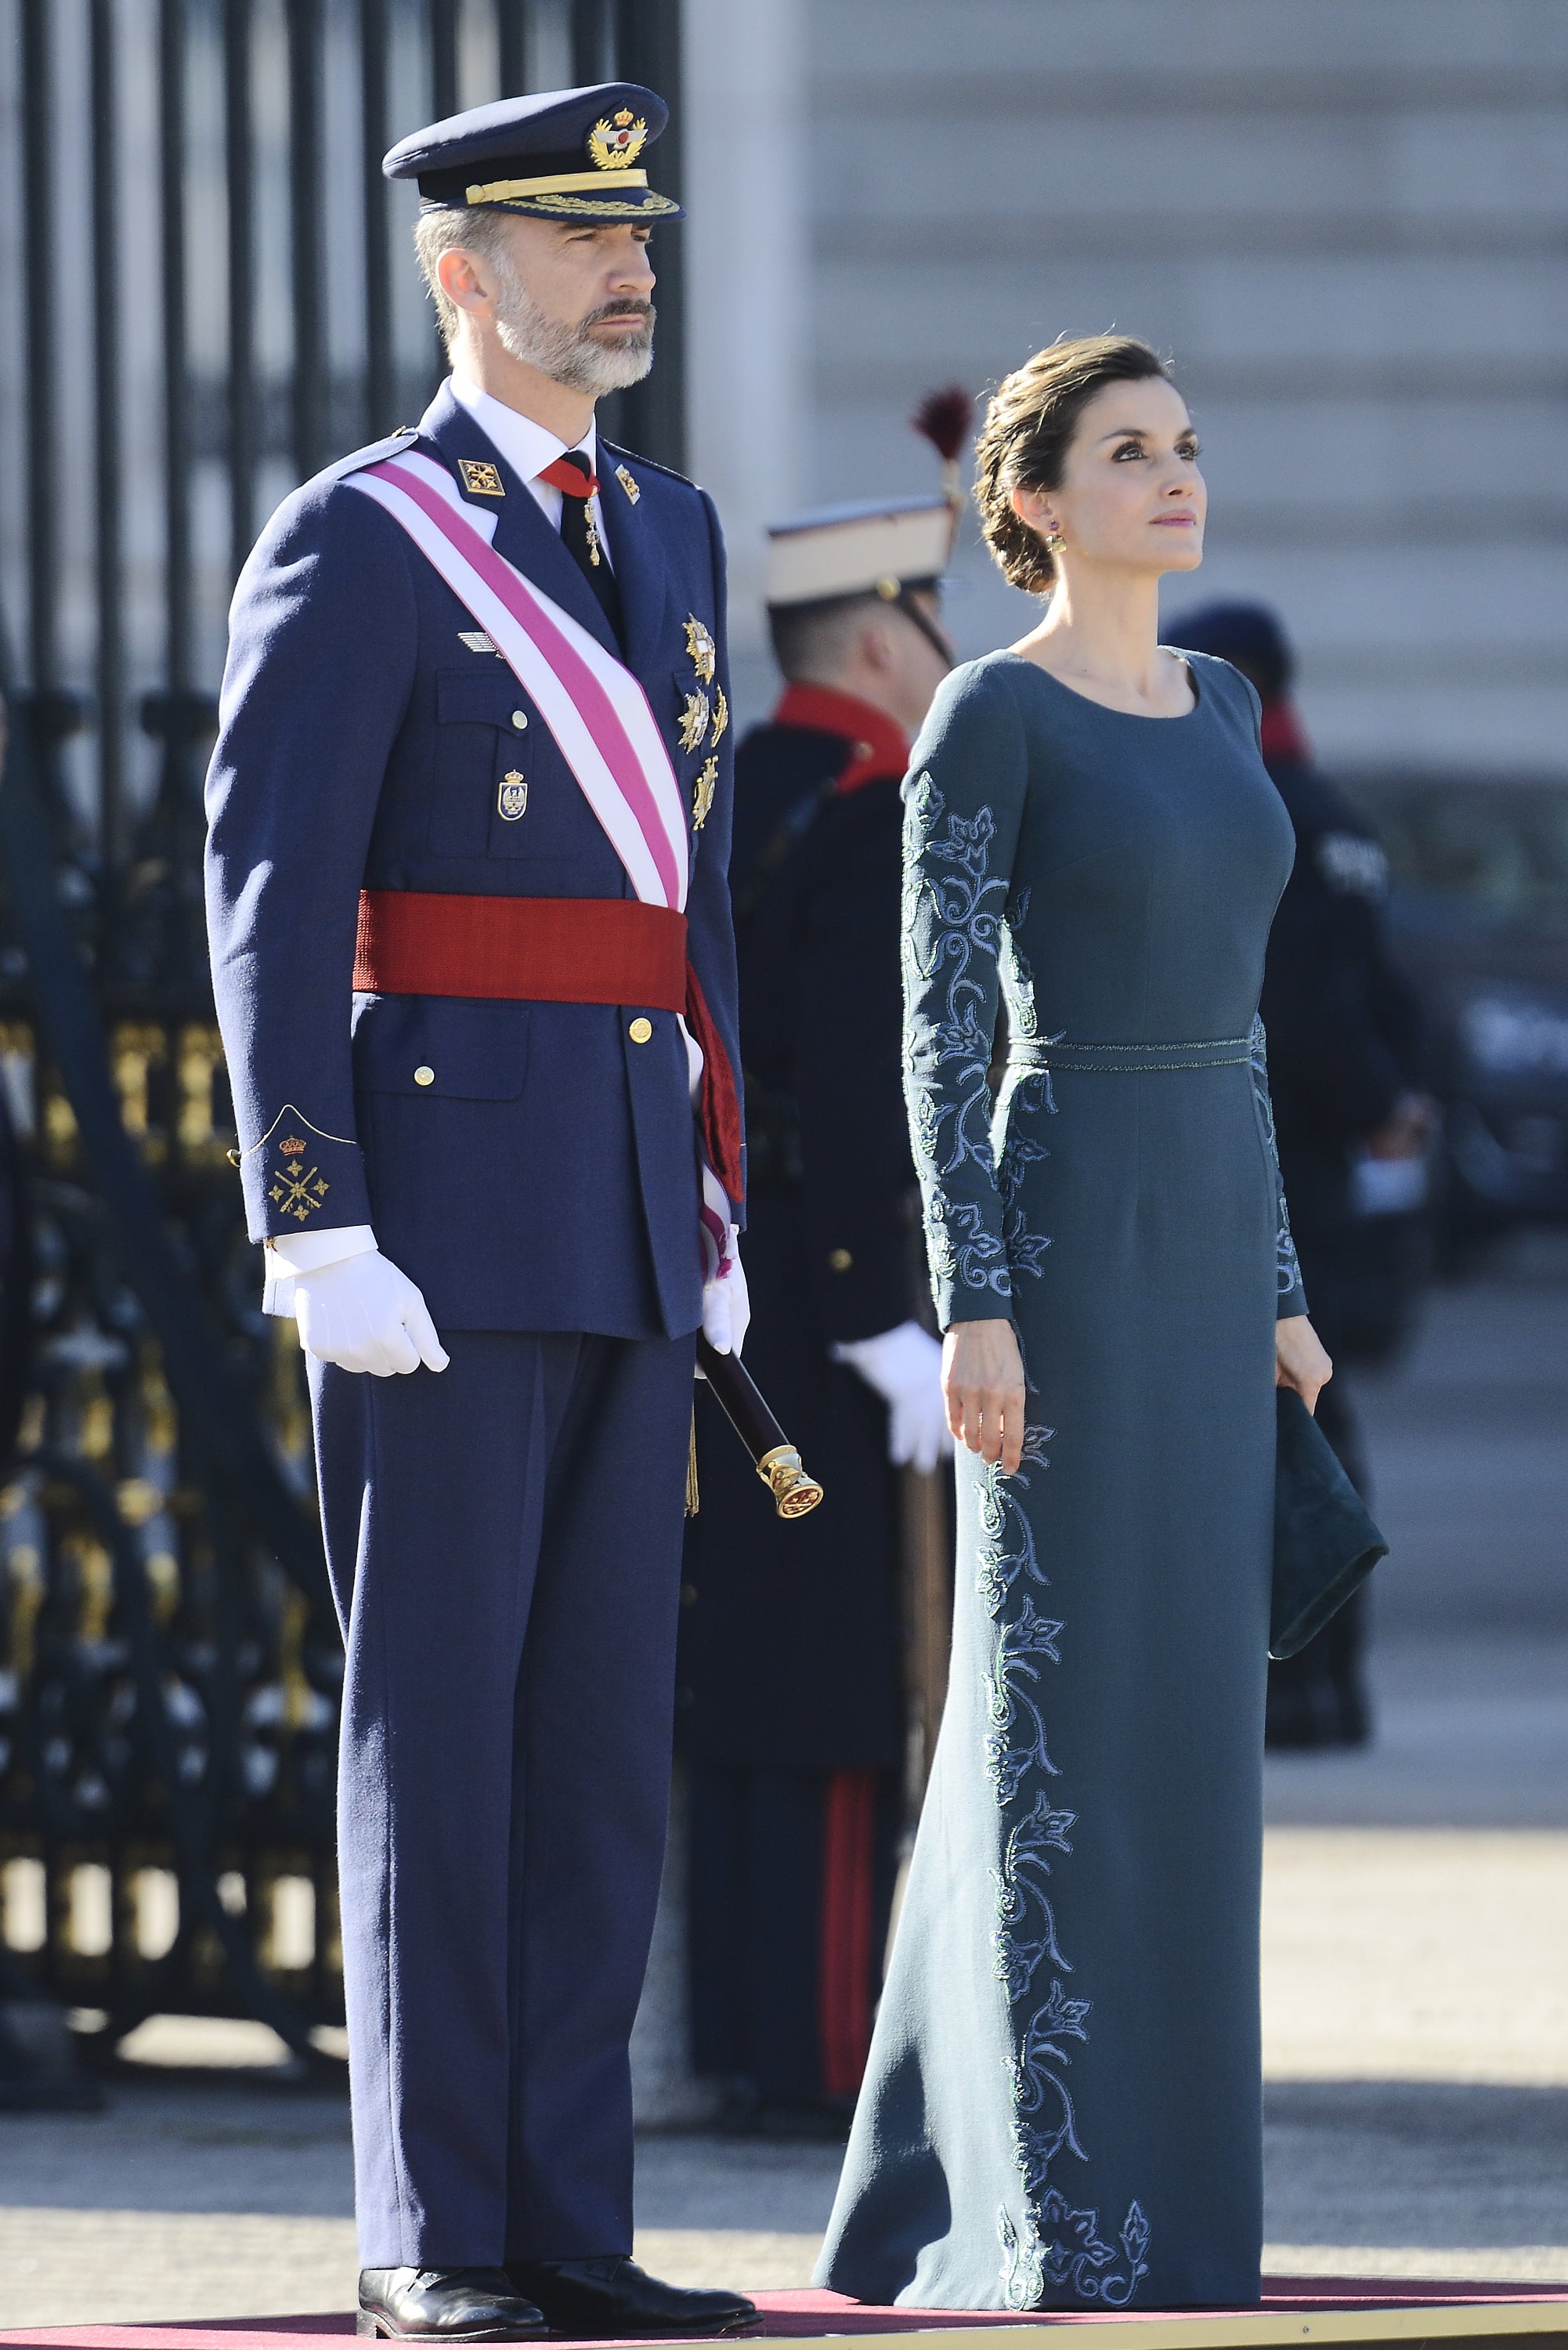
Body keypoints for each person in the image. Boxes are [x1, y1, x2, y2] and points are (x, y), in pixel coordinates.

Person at [204, 85, 756, 2346]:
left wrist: (718, 1175)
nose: (626, 266)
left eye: (637, 232)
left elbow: (690, 903)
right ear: (464, 273)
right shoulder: (366, 535)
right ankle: (436, 2236)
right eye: (571, 235)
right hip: (432, 1215)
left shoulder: (677, 525)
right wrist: (311, 1213)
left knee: (597, 1749)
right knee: (440, 1737)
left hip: (625, 1200)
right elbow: (271, 893)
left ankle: (564, 2223)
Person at [815, 335, 1332, 2312]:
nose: (1173, 476)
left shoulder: (1217, 699)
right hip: (1065, 1227)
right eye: (1128, 452)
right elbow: (939, 1036)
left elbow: (1248, 1022)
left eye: (1186, 445)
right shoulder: (982, 715)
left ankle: (1149, 2203)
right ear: (1033, 501)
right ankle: (1042, 2215)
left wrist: (1278, 1290)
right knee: (1052, 1719)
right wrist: (976, 1306)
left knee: (1190, 1740)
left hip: (1208, 1239)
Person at [678, 495, 956, 2131]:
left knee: (738, 1673)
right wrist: (880, 1315)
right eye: (932, 627)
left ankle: (738, 2031)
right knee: (845, 1687)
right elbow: (862, 1090)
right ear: (875, 638)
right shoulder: (870, 812)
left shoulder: (730, 789)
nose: (951, 659)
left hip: (715, 1284)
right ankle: (823, 2054)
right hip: (823, 1283)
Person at [1168, 601, 1429, 1748]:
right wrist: (1387, 1104)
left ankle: (1296, 1688)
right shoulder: (1326, 813)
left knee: (1281, 1421)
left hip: (1270, 1161)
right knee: (1304, 1416)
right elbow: (1384, 992)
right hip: (1316, 1159)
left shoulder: (1251, 810)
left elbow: (1314, 1007)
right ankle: (1322, 1688)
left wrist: (1372, 1101)